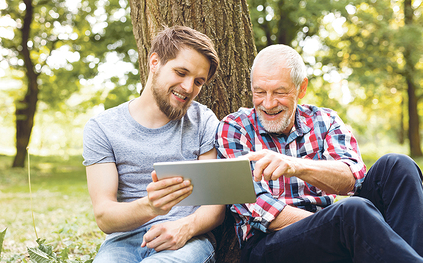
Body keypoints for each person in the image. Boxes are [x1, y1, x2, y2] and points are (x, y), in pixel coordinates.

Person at [215, 44, 423, 263]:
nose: (268, 103)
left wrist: (296, 166)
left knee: (398, 166)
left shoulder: (325, 120)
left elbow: (353, 179)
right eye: (259, 92)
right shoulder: (234, 128)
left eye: (280, 92)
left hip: (333, 228)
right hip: (267, 244)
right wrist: (331, 223)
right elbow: (257, 208)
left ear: (301, 88)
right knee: (352, 212)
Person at [83, 25, 225, 263]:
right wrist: (151, 206)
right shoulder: (102, 128)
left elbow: (216, 205)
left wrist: (186, 228)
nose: (189, 88)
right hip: (123, 243)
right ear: (155, 62)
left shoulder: (204, 121)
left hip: (185, 240)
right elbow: (105, 216)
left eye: (198, 81)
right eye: (181, 73)